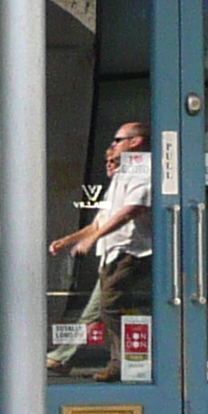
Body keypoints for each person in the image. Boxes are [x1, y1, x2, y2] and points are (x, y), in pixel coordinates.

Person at [49, 118, 152, 379]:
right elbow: (100, 222)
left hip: (130, 252)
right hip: (112, 255)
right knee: (97, 310)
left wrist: (91, 241)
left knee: (110, 307)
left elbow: (131, 211)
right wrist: (68, 241)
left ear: (135, 142)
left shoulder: (143, 171)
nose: (112, 147)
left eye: (117, 141)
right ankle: (62, 358)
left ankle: (131, 362)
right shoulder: (120, 179)